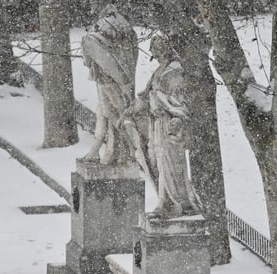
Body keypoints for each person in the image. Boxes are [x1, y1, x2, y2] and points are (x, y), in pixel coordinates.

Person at [124, 34, 201, 218]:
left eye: (157, 52)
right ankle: (164, 202)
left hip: (169, 125)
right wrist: (132, 110)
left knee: (171, 164)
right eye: (154, 53)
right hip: (156, 123)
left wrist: (177, 119)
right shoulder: (160, 71)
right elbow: (148, 95)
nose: (156, 56)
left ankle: (179, 202)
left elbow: (180, 103)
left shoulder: (175, 71)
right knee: (158, 162)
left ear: (165, 50)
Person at [79, 4, 138, 167]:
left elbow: (101, 57)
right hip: (114, 80)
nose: (91, 8)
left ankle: (126, 152)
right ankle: (109, 152)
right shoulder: (122, 24)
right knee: (108, 114)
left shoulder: (102, 28)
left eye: (93, 3)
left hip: (109, 81)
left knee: (115, 115)